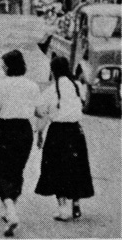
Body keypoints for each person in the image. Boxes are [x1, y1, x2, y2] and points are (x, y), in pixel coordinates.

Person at [0, 50, 40, 237]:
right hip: (24, 130)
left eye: (3, 66)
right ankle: (10, 209)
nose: (2, 69)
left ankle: (10, 210)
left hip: (5, 130)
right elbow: (38, 110)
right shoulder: (32, 85)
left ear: (8, 67)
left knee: (2, 171)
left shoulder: (0, 85)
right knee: (17, 171)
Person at [35, 56, 94, 220]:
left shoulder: (51, 90)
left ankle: (63, 208)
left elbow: (42, 113)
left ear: (53, 71)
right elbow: (82, 102)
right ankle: (76, 202)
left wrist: (39, 133)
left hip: (57, 133)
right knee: (76, 167)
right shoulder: (77, 86)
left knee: (57, 169)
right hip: (75, 131)